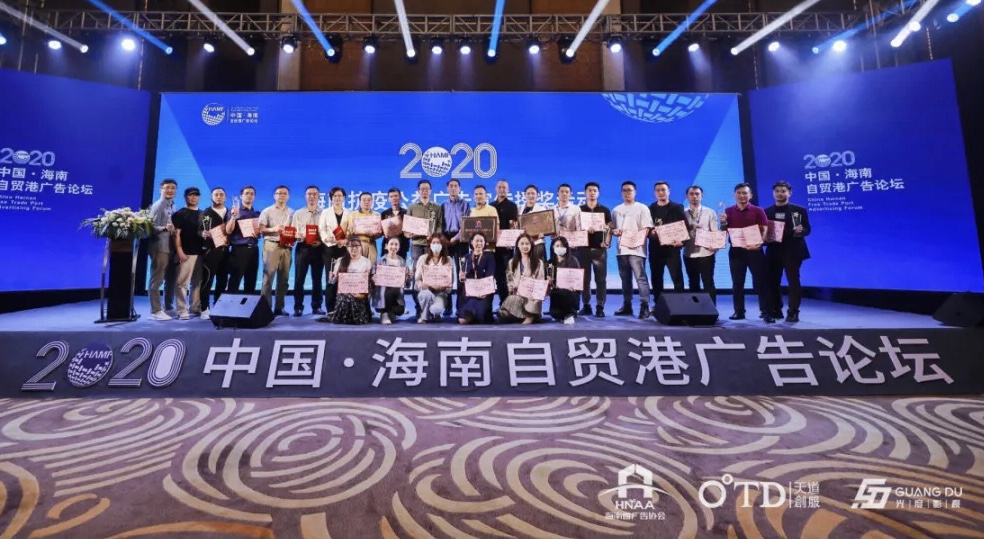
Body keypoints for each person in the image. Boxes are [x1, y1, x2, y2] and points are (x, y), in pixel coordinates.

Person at [720, 183, 774, 323]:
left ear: (750, 195)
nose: (742, 195)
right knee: (737, 283)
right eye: (739, 193)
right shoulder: (728, 211)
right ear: (734, 195)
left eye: (745, 193)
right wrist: (723, 223)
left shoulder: (758, 210)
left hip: (755, 251)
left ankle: (766, 312)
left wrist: (760, 243)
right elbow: (724, 231)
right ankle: (739, 312)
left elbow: (764, 229)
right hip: (736, 251)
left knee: (761, 282)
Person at [764, 181, 811, 323]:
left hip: (793, 250)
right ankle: (775, 310)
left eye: (783, 191)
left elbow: (807, 229)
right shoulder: (767, 212)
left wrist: (800, 231)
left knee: (793, 282)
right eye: (777, 191)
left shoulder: (799, 210)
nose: (780, 193)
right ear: (773, 193)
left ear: (789, 193)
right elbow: (763, 232)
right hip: (773, 250)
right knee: (772, 282)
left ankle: (793, 311)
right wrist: (765, 239)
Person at [612, 181, 654, 319]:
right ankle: (627, 305)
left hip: (637, 249)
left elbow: (647, 228)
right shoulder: (616, 210)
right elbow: (613, 229)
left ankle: (645, 306)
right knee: (625, 279)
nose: (627, 193)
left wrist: (636, 240)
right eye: (624, 190)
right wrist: (615, 232)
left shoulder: (642, 208)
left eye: (629, 190)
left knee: (640, 278)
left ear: (635, 192)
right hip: (621, 250)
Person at [406, 180, 443, 317]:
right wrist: (409, 233)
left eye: (427, 189)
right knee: (417, 275)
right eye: (422, 189)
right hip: (416, 244)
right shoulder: (412, 207)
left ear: (431, 191)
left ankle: (433, 307)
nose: (424, 191)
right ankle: (419, 307)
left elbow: (439, 225)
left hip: (432, 245)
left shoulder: (437, 207)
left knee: (433, 273)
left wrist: (433, 235)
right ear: (418, 191)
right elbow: (407, 229)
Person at [648, 181, 686, 306]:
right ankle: (658, 305)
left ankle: (681, 305)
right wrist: (651, 233)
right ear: (655, 193)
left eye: (663, 190)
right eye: (658, 190)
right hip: (655, 249)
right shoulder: (650, 209)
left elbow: (685, 227)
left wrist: (682, 242)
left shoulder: (677, 208)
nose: (661, 192)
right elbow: (647, 229)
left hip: (672, 249)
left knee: (677, 278)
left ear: (668, 191)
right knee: (656, 278)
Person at [259, 185, 294, 316]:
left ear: (288, 196)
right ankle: (265, 309)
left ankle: (279, 308)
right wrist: (274, 229)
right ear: (274, 196)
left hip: (286, 247)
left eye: (284, 193)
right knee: (268, 277)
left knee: (284, 279)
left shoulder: (292, 212)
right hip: (271, 245)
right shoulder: (267, 211)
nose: (282, 196)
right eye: (279, 193)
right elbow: (261, 229)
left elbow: (294, 230)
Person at [578, 181, 612, 318]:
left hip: (599, 249)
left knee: (601, 280)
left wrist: (607, 242)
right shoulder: (579, 210)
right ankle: (586, 305)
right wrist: (584, 230)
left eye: (594, 191)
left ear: (598, 193)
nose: (592, 193)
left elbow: (609, 228)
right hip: (583, 249)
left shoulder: (605, 210)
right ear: (585, 193)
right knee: (584, 280)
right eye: (589, 190)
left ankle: (600, 306)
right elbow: (575, 228)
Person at [682, 185, 720, 304]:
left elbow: (715, 232)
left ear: (702, 196)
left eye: (697, 194)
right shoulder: (682, 213)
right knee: (693, 283)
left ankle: (712, 310)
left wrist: (716, 246)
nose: (694, 196)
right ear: (687, 196)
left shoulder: (710, 212)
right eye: (691, 194)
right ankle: (695, 310)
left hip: (706, 253)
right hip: (689, 253)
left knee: (708, 282)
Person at [291, 185, 325, 316]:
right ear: (305, 196)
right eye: (309, 194)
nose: (312, 196)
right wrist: (297, 235)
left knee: (317, 279)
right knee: (299, 278)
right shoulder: (298, 213)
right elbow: (293, 231)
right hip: (303, 247)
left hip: (319, 248)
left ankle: (317, 306)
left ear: (319, 196)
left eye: (315, 194)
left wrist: (321, 241)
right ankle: (298, 307)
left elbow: (327, 231)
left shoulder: (324, 213)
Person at [198, 187, 231, 320]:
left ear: (225, 197)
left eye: (221, 194)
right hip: (211, 251)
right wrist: (202, 233)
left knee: (222, 280)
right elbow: (198, 230)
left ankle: (219, 306)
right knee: (207, 280)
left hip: (226, 251)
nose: (219, 197)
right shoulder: (206, 213)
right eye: (216, 195)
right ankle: (204, 308)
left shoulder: (230, 212)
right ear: (211, 197)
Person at [172, 187, 204, 320]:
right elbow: (176, 234)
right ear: (185, 197)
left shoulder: (203, 214)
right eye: (191, 195)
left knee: (197, 282)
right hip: (186, 253)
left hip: (200, 253)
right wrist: (179, 251)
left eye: (196, 195)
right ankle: (181, 310)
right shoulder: (179, 214)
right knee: (182, 283)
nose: (194, 197)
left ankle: (195, 307)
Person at [148, 178, 177, 320]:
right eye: (167, 187)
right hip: (159, 246)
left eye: (173, 188)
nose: (170, 190)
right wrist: (165, 228)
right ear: (161, 189)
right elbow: (149, 227)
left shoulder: (172, 205)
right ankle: (155, 311)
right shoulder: (158, 205)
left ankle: (168, 307)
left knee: (170, 278)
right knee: (157, 278)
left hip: (170, 246)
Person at [498, 233, 544, 325]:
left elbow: (541, 282)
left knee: (531, 306)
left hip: (532, 298)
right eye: (522, 244)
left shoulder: (538, 262)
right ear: (517, 246)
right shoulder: (512, 262)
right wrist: (511, 287)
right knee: (503, 314)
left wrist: (533, 294)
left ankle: (531, 315)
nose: (524, 246)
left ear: (531, 245)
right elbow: (510, 280)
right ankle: (523, 315)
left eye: (527, 243)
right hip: (518, 296)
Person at [318, 187, 350, 314]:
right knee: (331, 277)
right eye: (335, 196)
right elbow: (321, 229)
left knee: (343, 277)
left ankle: (342, 306)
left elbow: (351, 230)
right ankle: (330, 308)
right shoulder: (325, 212)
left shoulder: (349, 213)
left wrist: (346, 240)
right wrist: (327, 238)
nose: (337, 198)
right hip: (330, 248)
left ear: (344, 198)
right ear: (331, 198)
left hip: (344, 249)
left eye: (340, 196)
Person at [327, 238, 373, 325]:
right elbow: (333, 282)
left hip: (360, 295)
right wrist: (331, 278)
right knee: (347, 297)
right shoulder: (340, 261)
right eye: (351, 246)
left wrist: (361, 295)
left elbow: (368, 282)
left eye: (356, 246)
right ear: (347, 247)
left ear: (361, 247)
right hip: (344, 294)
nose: (354, 248)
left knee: (354, 299)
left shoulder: (367, 262)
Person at [442, 179, 471, 316]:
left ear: (459, 188)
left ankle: (461, 307)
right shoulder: (443, 205)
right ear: (447, 188)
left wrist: (456, 238)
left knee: (461, 274)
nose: (453, 188)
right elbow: (441, 224)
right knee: (446, 273)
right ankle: (447, 307)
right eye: (451, 186)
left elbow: (466, 224)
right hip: (446, 240)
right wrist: (445, 239)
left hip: (461, 241)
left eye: (455, 186)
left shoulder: (465, 204)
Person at [226, 186, 261, 294]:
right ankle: (230, 304)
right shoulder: (234, 211)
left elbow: (259, 234)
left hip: (254, 249)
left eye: (252, 193)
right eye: (247, 193)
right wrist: (233, 217)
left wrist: (259, 233)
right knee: (235, 279)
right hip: (239, 249)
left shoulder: (257, 214)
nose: (249, 195)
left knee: (251, 280)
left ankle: (248, 304)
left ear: (254, 196)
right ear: (241, 196)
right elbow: (228, 231)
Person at [490, 179, 518, 305]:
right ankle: (502, 303)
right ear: (496, 189)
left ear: (508, 190)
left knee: (508, 276)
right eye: (500, 187)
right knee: (498, 276)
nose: (502, 190)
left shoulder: (512, 206)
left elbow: (513, 226)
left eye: (504, 188)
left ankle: (509, 304)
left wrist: (511, 242)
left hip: (506, 247)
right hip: (493, 247)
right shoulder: (490, 206)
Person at [458, 232, 496, 325]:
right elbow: (463, 280)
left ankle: (478, 315)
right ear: (471, 242)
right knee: (462, 320)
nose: (479, 243)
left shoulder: (489, 257)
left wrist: (482, 292)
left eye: (481, 241)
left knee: (480, 315)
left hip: (484, 293)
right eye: (477, 241)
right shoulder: (465, 258)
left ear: (485, 243)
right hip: (470, 293)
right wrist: (461, 277)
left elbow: (490, 276)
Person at [414, 234, 453, 324]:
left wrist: (444, 287)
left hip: (440, 293)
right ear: (430, 245)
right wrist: (421, 285)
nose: (436, 245)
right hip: (426, 291)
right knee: (426, 295)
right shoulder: (422, 258)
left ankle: (435, 314)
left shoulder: (449, 260)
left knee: (436, 309)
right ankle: (424, 316)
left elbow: (450, 284)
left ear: (442, 245)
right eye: (433, 243)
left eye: (438, 243)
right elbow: (417, 281)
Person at [372, 236, 408, 325]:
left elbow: (406, 281)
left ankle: (387, 313)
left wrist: (407, 277)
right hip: (383, 293)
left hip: (397, 294)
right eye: (391, 244)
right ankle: (384, 312)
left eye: (396, 244)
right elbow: (373, 276)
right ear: (386, 246)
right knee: (388, 291)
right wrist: (374, 278)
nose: (394, 247)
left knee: (400, 310)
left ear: (399, 247)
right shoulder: (380, 261)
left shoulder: (402, 261)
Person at [547, 235, 581, 325]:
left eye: (562, 246)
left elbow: (578, 279)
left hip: (570, 292)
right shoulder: (550, 263)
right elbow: (549, 282)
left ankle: (571, 313)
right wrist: (549, 281)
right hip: (556, 292)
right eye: (557, 246)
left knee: (569, 295)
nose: (560, 248)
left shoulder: (573, 260)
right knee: (555, 313)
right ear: (553, 247)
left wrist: (574, 286)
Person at [344, 192, 383, 263]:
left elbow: (380, 233)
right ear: (359, 202)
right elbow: (348, 233)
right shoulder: (353, 215)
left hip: (371, 244)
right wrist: (351, 230)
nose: (366, 202)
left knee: (371, 266)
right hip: (357, 244)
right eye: (364, 200)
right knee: (357, 266)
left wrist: (374, 234)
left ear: (372, 201)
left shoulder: (377, 215)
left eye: (369, 200)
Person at [518, 184, 548, 263]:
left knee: (539, 267)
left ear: (537, 195)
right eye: (528, 193)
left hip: (537, 244)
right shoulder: (519, 209)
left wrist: (543, 232)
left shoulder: (542, 210)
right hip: (523, 245)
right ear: (524, 195)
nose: (530, 196)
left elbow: (546, 228)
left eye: (533, 193)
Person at [380, 187, 409, 260]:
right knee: (385, 265)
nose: (394, 198)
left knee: (401, 265)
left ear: (400, 197)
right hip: (387, 245)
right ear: (388, 199)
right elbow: (381, 231)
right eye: (391, 196)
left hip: (402, 245)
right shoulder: (384, 213)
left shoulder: (406, 213)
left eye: (396, 196)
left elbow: (409, 230)